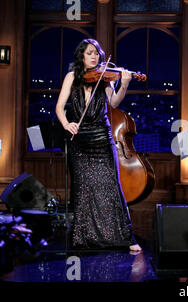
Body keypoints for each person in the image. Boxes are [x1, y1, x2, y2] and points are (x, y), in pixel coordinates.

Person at [55, 38, 141, 252]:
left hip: (102, 137)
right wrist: (67, 124)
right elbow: (58, 106)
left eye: (96, 53)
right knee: (83, 190)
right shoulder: (71, 76)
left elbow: (113, 104)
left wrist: (125, 84)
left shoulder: (105, 78)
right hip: (79, 141)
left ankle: (126, 238)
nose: (94, 57)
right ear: (81, 56)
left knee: (111, 187)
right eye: (89, 53)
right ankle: (84, 237)